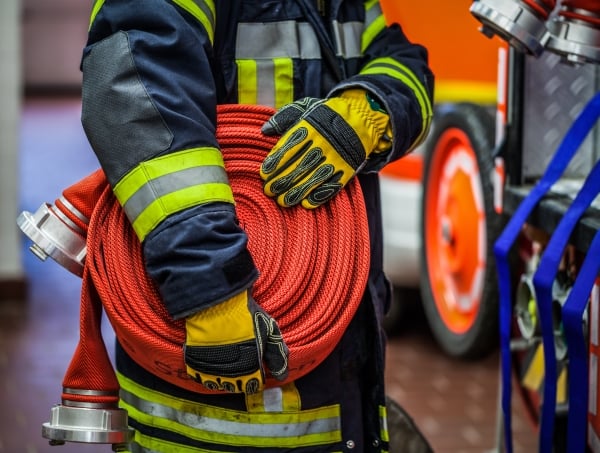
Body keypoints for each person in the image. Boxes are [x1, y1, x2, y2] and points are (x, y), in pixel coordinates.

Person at [79, 0, 434, 451]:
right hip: (205, 372)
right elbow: (136, 96)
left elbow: (405, 62)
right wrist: (210, 289)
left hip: (334, 369)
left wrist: (366, 107)